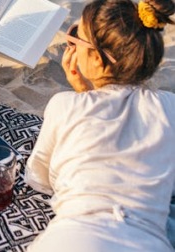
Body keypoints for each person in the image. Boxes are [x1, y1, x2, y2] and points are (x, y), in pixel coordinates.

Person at [24, 0, 175, 251]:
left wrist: (84, 97)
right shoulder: (170, 107)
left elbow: (38, 178)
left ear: (95, 58)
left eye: (75, 37)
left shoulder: (65, 105)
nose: (69, 43)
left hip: (72, 239)